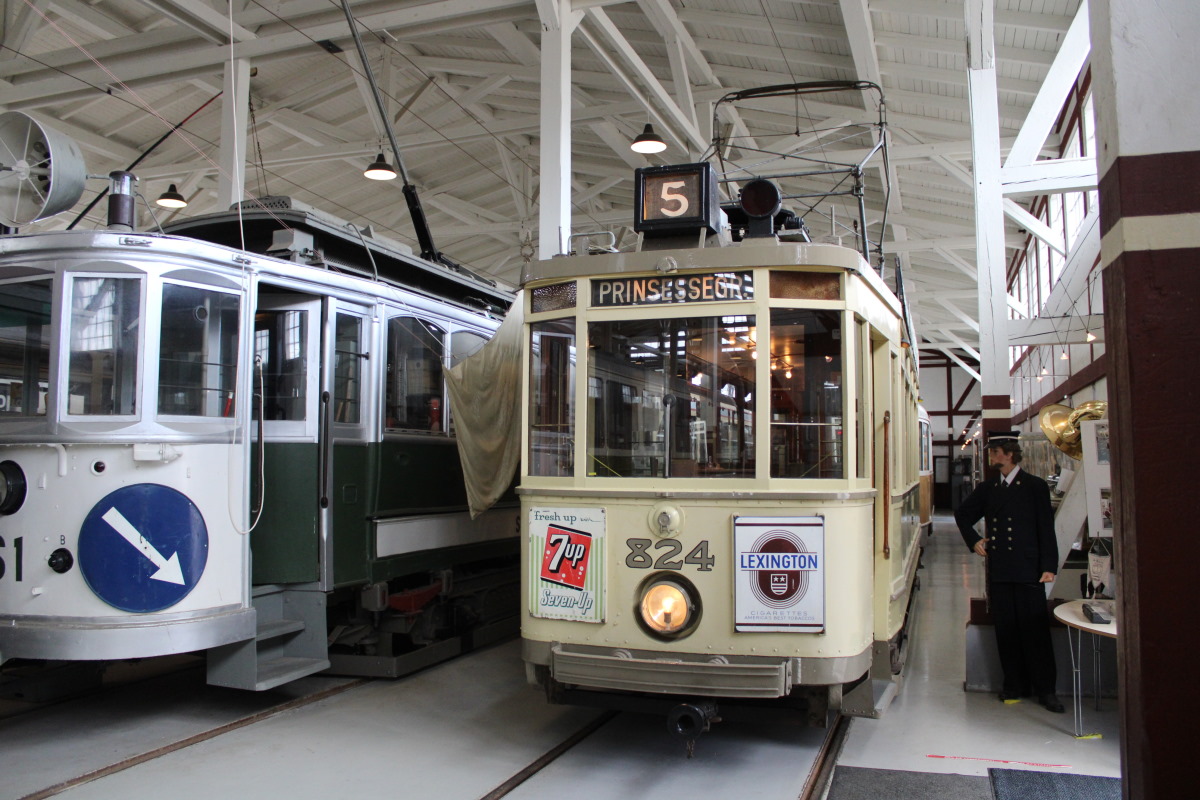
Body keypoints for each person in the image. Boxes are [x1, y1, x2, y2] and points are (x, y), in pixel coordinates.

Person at [955, 430, 1063, 713]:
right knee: (1007, 631)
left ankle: (1046, 690)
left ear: (1010, 454)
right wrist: (974, 540)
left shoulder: (1035, 487)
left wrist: (1048, 566)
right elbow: (963, 515)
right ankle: (1014, 684)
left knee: (1035, 631)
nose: (991, 456)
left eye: (995, 451)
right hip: (1001, 568)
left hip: (1029, 570)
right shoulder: (989, 489)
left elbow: (1045, 530)